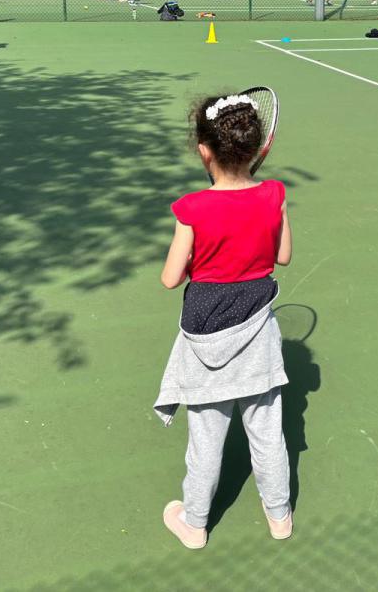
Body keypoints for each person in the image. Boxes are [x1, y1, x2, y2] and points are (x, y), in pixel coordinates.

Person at [155, 93, 294, 550]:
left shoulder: (191, 208)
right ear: (256, 149)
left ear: (204, 150)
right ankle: (280, 517)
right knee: (268, 435)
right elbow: (283, 256)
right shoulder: (274, 194)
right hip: (258, 338)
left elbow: (171, 278)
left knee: (205, 442)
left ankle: (194, 524)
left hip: (205, 342)